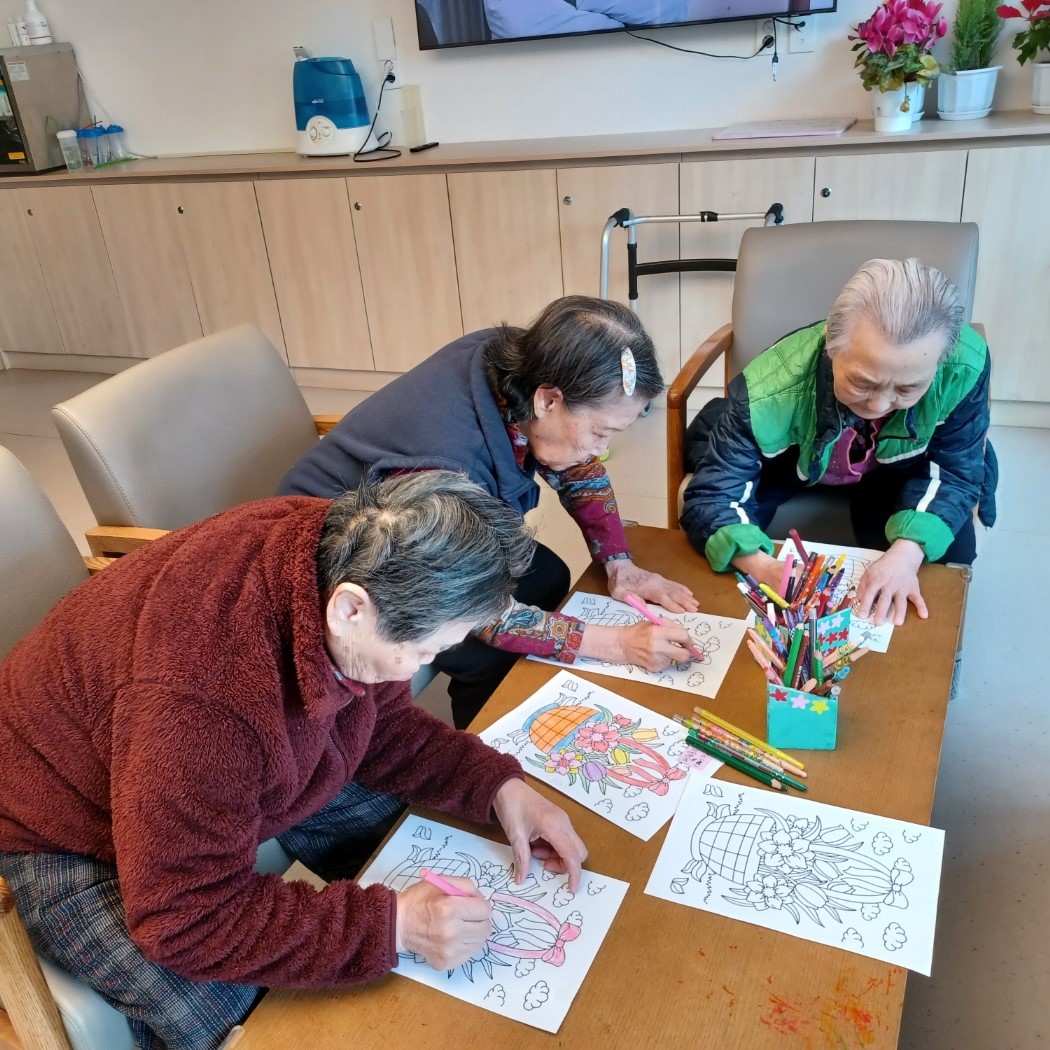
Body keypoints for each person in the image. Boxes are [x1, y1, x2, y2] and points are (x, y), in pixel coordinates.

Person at [0, 472, 587, 1050]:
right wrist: (395, 926)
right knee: (266, 1024)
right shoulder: (203, 704)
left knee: (404, 839)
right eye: (421, 650)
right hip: (57, 822)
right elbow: (185, 919)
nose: (422, 667)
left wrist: (497, 785)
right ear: (350, 611)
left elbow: (381, 724)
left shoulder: (347, 547)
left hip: (186, 761)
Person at [279, 295, 700, 729]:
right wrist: (620, 644)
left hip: (423, 526)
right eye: (599, 431)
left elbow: (576, 465)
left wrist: (619, 563)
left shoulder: (527, 364)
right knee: (485, 652)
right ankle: (485, 738)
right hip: (341, 561)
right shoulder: (443, 468)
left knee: (547, 575)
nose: (601, 448)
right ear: (548, 402)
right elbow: (484, 614)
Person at [680, 257, 997, 626]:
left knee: (943, 564)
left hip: (903, 465)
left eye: (908, 388)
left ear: (940, 364)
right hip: (793, 460)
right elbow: (715, 495)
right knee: (722, 578)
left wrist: (907, 553)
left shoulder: (964, 366)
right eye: (862, 383)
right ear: (831, 343)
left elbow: (956, 472)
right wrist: (761, 565)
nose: (878, 405)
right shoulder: (767, 390)